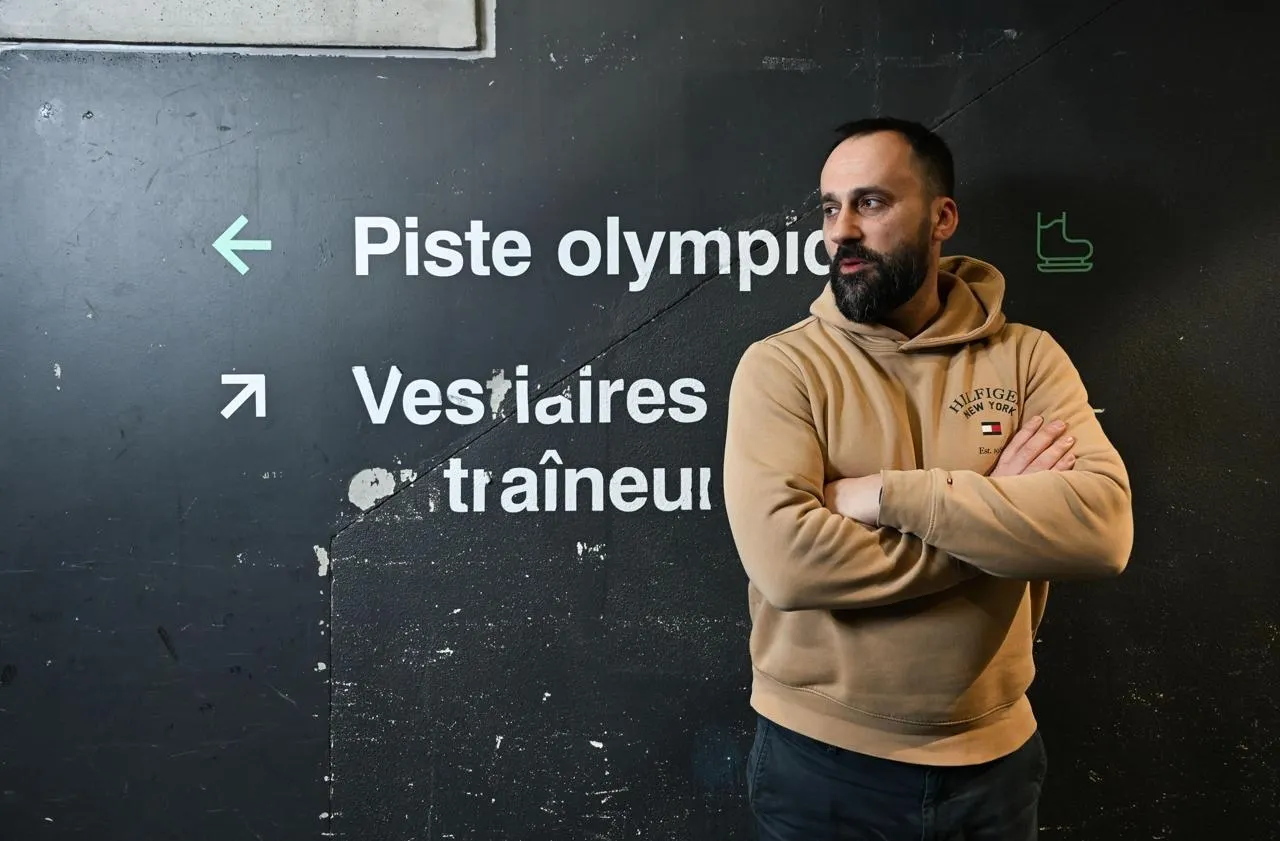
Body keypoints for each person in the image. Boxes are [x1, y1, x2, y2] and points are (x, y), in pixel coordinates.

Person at [721, 117, 1135, 841]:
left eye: (871, 202)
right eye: (830, 207)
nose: (842, 231)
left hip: (995, 768)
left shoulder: (1028, 358)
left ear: (942, 218)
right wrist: (1003, 522)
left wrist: (889, 495)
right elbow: (789, 564)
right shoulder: (782, 367)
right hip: (822, 764)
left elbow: (1102, 533)